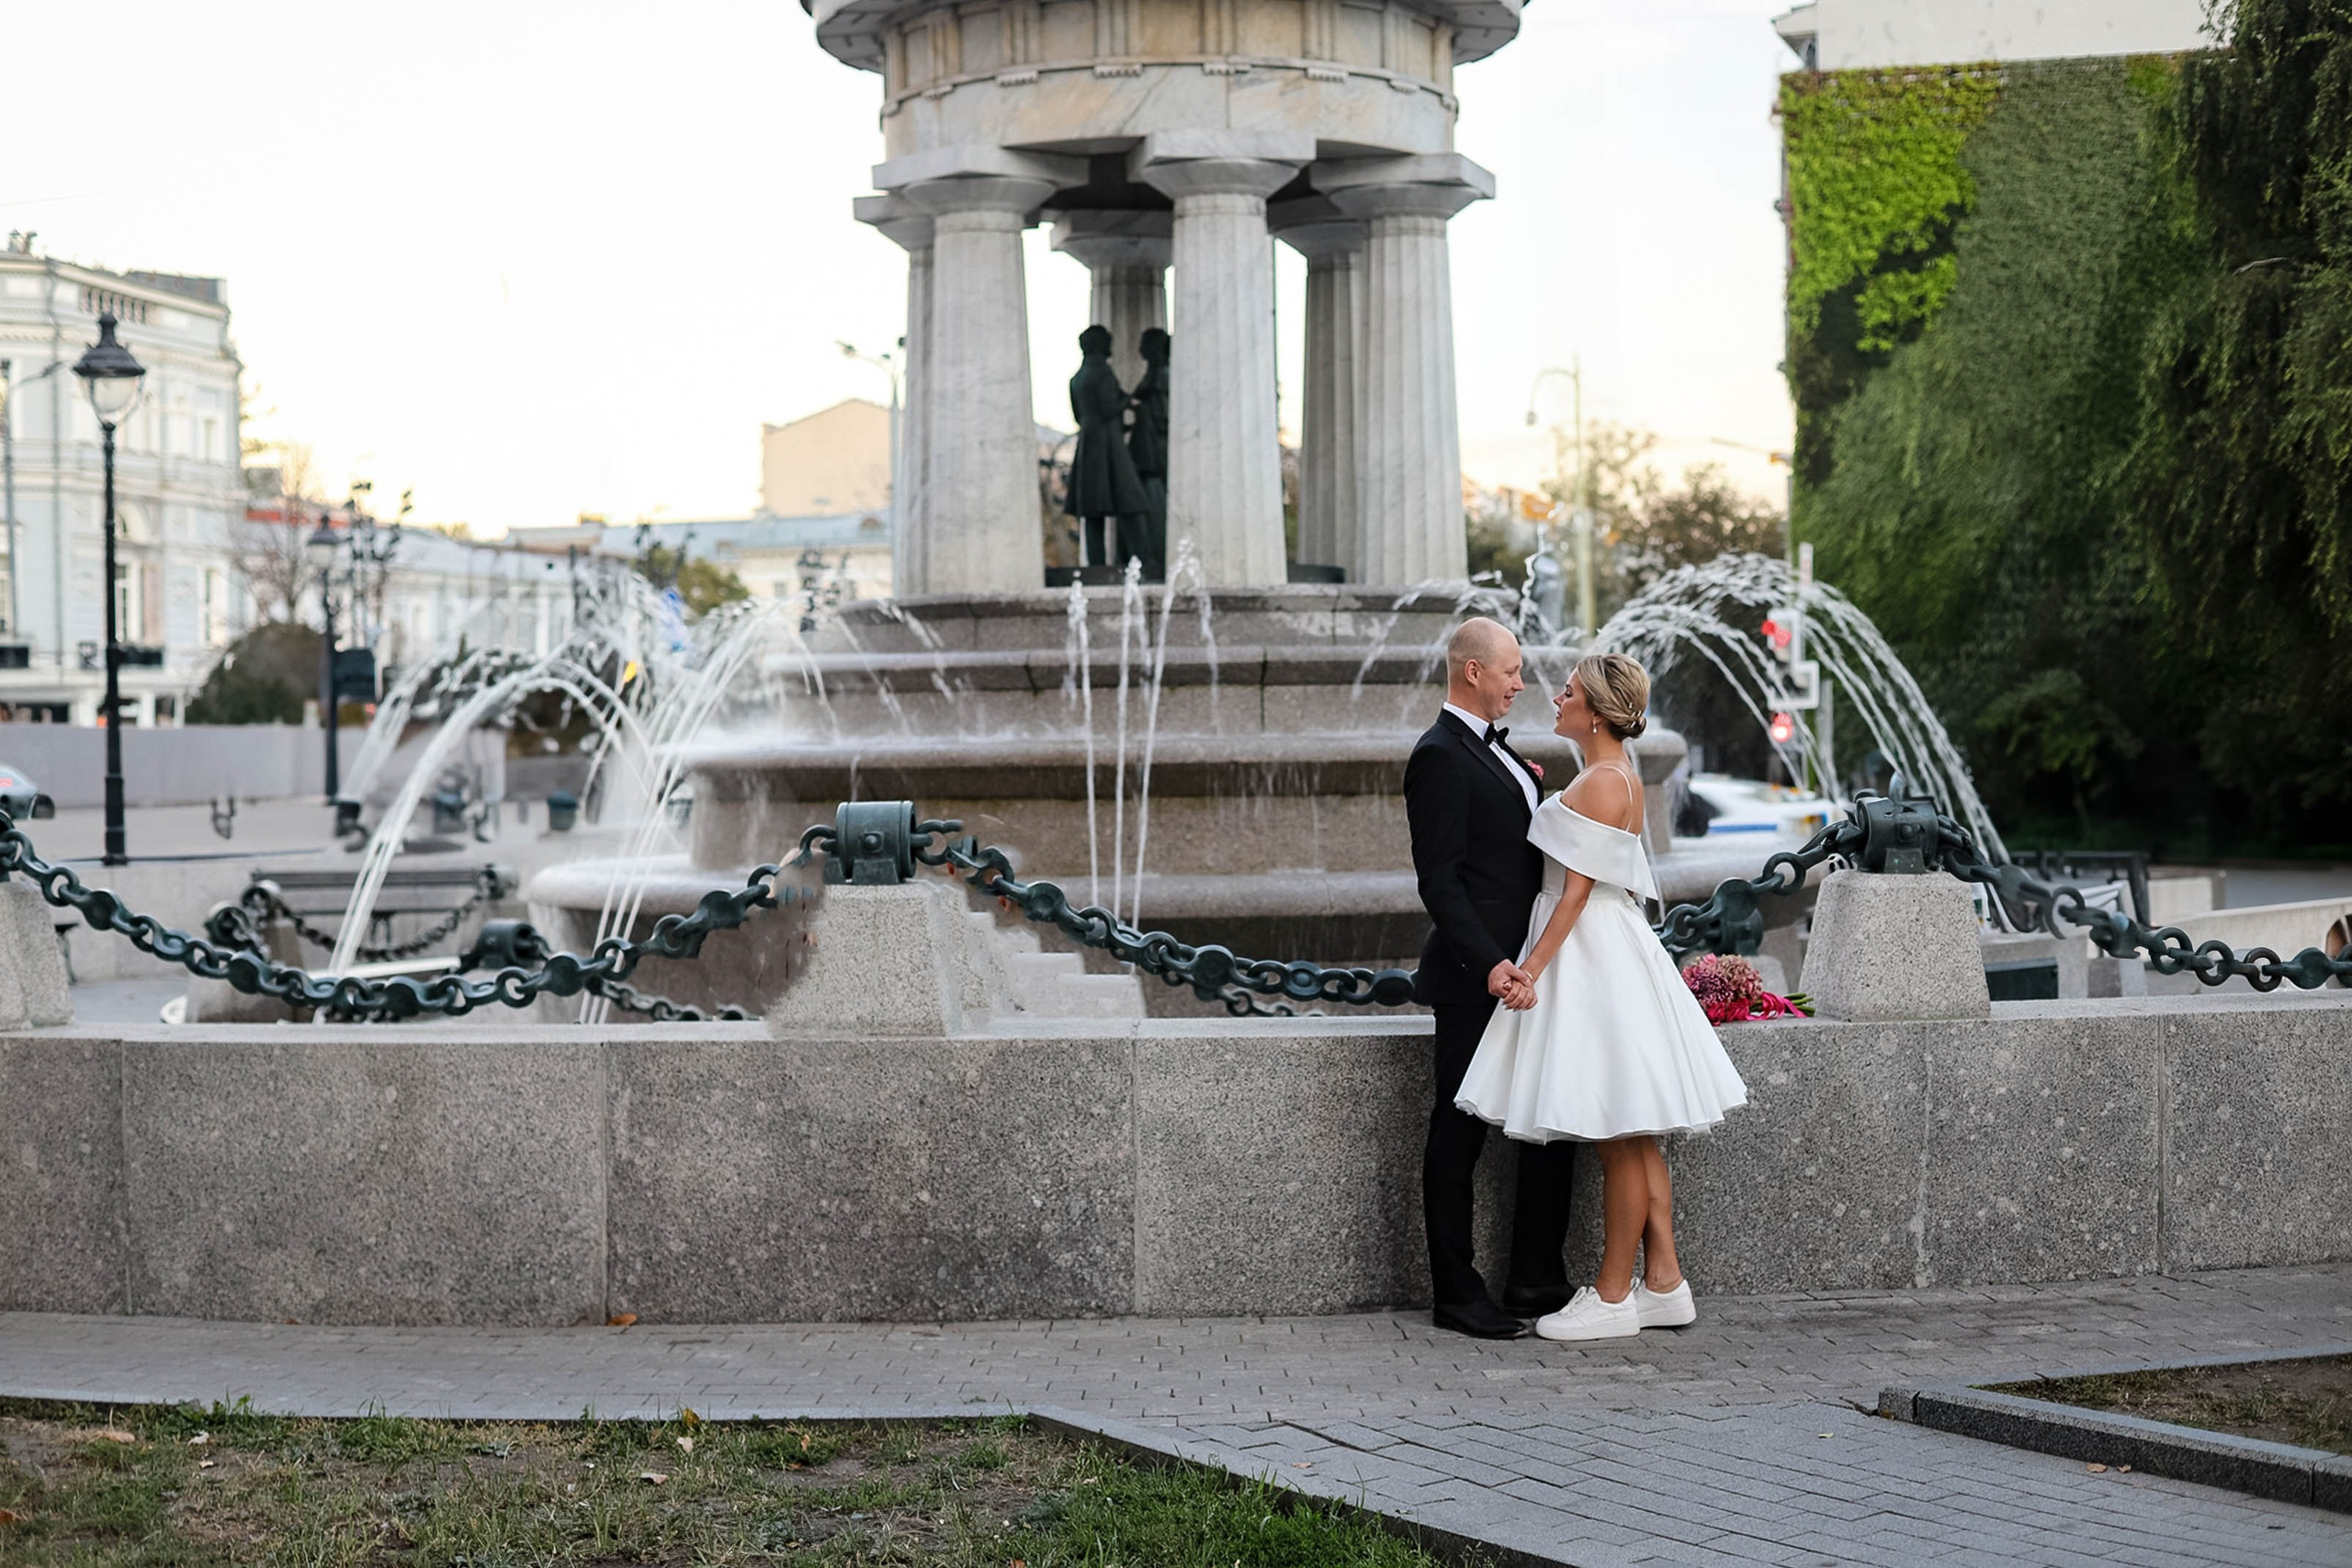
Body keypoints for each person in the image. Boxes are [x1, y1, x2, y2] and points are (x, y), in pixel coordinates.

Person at [1455, 651, 1749, 1342]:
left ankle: (1614, 1295)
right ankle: (1666, 1282)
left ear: (1594, 711)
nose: (1556, 699)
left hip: (1590, 953)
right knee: (1637, 1137)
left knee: (1618, 1138)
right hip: (1612, 947)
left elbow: (1574, 895)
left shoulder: (1599, 783)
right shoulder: (1617, 775)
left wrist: (1530, 970)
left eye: (1568, 693)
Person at [1403, 617, 1579, 1339]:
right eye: (1510, 670)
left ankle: (1534, 1274)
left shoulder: (1497, 752)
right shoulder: (1437, 755)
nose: (1520, 683)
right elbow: (1439, 882)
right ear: (1472, 671)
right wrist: (1489, 963)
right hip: (1476, 977)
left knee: (1549, 1121)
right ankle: (1455, 1291)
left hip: (1527, 972)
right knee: (1459, 1131)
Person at [1064, 325, 1150, 570]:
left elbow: (1078, 415)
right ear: (1099, 345)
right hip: (1108, 446)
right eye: (1107, 342)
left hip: (1088, 446)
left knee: (1092, 512)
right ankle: (1142, 561)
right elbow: (1109, 408)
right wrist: (1130, 401)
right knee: (1131, 503)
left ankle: (1096, 567)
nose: (1111, 346)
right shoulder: (1101, 372)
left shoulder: (1077, 378)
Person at [1125, 328, 1170, 581]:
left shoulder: (1161, 376)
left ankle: (1157, 557)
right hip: (1148, 451)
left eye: (1144, 344)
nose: (1140, 349)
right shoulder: (1155, 375)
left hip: (1155, 453)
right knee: (1148, 504)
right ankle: (1149, 557)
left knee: (1154, 503)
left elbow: (1162, 416)